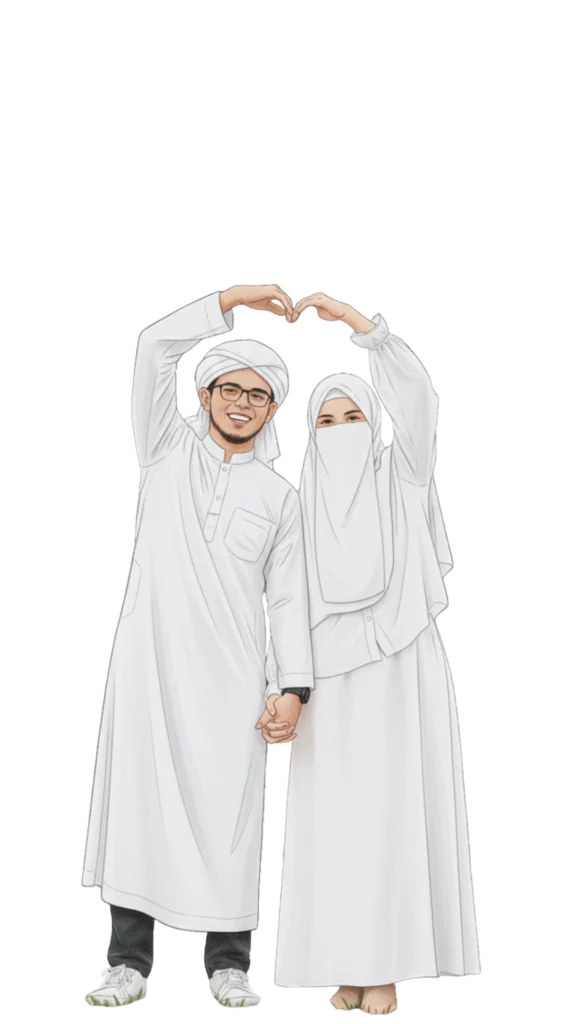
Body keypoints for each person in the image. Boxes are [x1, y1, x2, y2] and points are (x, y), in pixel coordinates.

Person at [82, 284, 314, 1008]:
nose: (242, 403)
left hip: (232, 683)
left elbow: (288, 599)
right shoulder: (164, 451)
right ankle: (128, 965)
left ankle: (231, 966)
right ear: (205, 393)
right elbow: (155, 347)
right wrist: (234, 299)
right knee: (140, 815)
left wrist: (293, 688)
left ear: (272, 411)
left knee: (231, 823)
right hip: (151, 675)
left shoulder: (280, 498)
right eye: (230, 389)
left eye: (258, 395)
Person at [264, 293, 481, 1016]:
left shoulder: (405, 478)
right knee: (335, 824)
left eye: (352, 418)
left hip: (396, 671)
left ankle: (387, 967)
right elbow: (283, 602)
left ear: (378, 426)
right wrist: (281, 686)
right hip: (325, 682)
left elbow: (416, 398)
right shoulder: (298, 507)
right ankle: (347, 964)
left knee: (393, 816)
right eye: (324, 423)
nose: (339, 433)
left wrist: (361, 328)